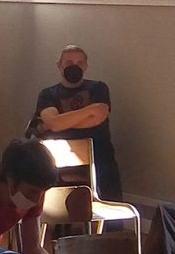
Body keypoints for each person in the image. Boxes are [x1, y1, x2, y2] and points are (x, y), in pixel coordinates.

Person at [29, 44, 121, 201]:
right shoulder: (48, 94)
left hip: (99, 156)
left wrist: (57, 122)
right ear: (60, 65)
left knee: (108, 193)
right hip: (57, 160)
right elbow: (55, 123)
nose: (75, 66)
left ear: (85, 66)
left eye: (79, 63)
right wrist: (89, 110)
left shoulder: (98, 88)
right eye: (69, 62)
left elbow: (98, 118)